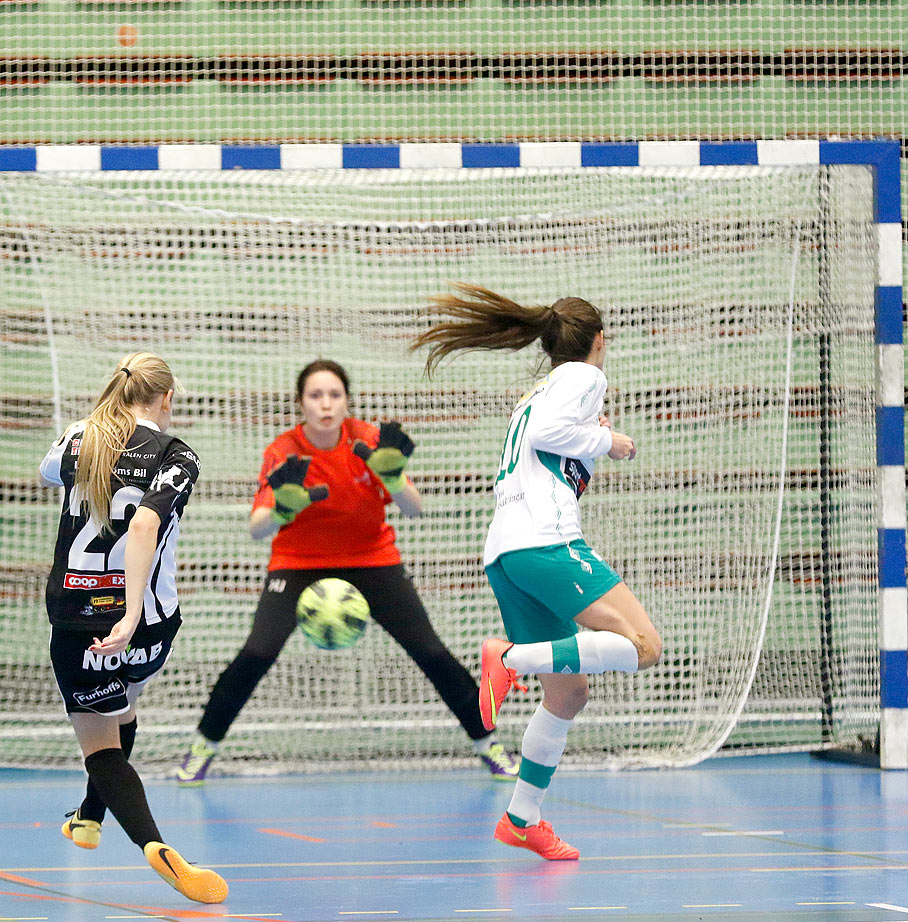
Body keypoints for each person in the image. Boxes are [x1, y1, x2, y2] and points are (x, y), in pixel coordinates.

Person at [174, 359, 518, 784]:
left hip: (373, 560)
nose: (325, 405)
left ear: (347, 401)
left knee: (430, 652)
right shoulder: (283, 451)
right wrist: (282, 508)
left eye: (334, 395)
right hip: (298, 564)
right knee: (257, 654)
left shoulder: (368, 440)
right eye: (315, 396)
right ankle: (202, 747)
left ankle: (488, 744)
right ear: (301, 403)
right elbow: (256, 529)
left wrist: (392, 479)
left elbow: (415, 509)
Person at [411, 283, 662, 861]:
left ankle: (522, 818)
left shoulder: (537, 391)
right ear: (599, 341)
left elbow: (545, 443)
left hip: (507, 554)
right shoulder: (583, 377)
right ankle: (510, 658)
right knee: (645, 646)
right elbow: (556, 436)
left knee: (568, 693)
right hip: (546, 545)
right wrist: (610, 441)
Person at [40, 353, 227, 904]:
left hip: (78, 616)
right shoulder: (177, 455)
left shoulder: (79, 437)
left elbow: (47, 471)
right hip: (147, 623)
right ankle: (89, 817)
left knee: (101, 741)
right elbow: (146, 521)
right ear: (166, 398)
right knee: (124, 707)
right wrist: (130, 611)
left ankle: (150, 843)